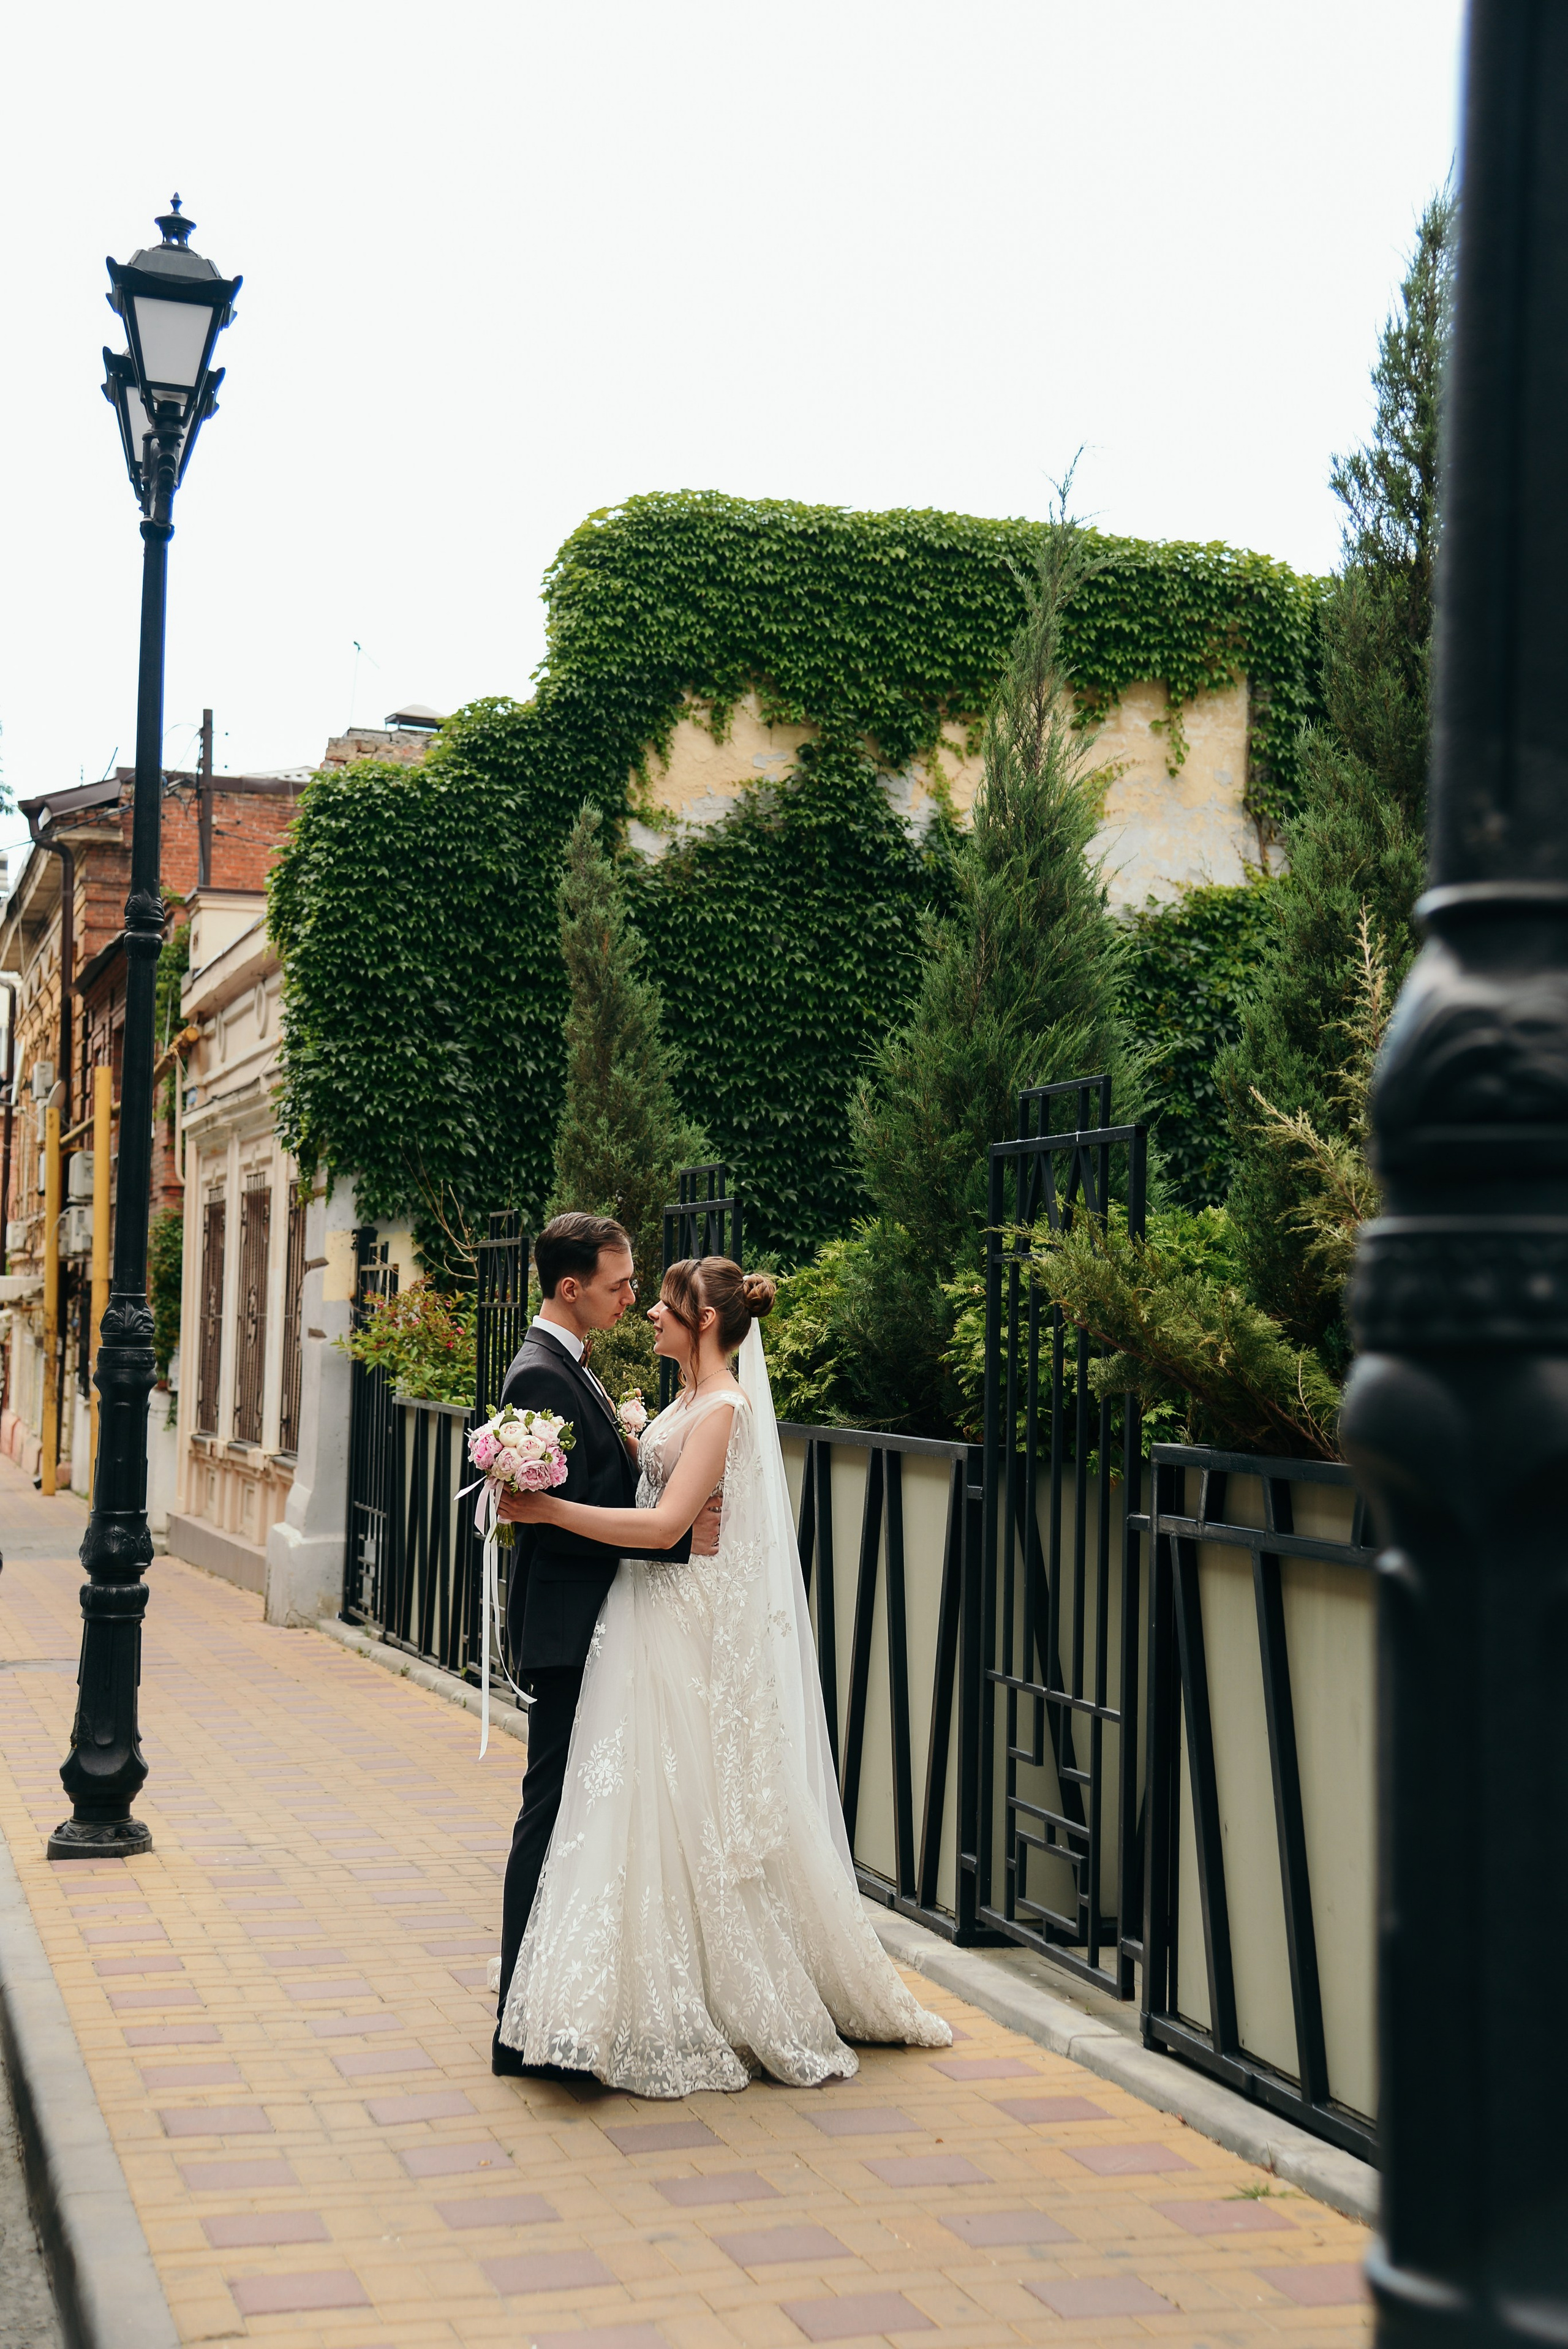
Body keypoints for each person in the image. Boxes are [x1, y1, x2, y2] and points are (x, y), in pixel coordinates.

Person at [494, 1253, 950, 2095]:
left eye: (664, 1306)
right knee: (636, 1803)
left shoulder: (725, 1407)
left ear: (704, 1321)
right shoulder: (685, 1402)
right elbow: (665, 1491)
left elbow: (665, 1521)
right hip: (640, 1610)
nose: (649, 1316)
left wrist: (549, 1507)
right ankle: (607, 1998)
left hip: (674, 1614)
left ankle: (690, 1997)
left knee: (678, 1800)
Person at [490, 1213, 722, 2078]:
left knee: (569, 1819)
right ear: (569, 1287)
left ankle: (542, 2009)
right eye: (620, 1284)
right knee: (548, 1819)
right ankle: (522, 2025)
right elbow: (556, 1526)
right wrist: (665, 1532)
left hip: (596, 1621)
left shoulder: (565, 1369)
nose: (632, 1296)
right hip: (571, 1625)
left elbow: (580, 1486)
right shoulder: (543, 1374)